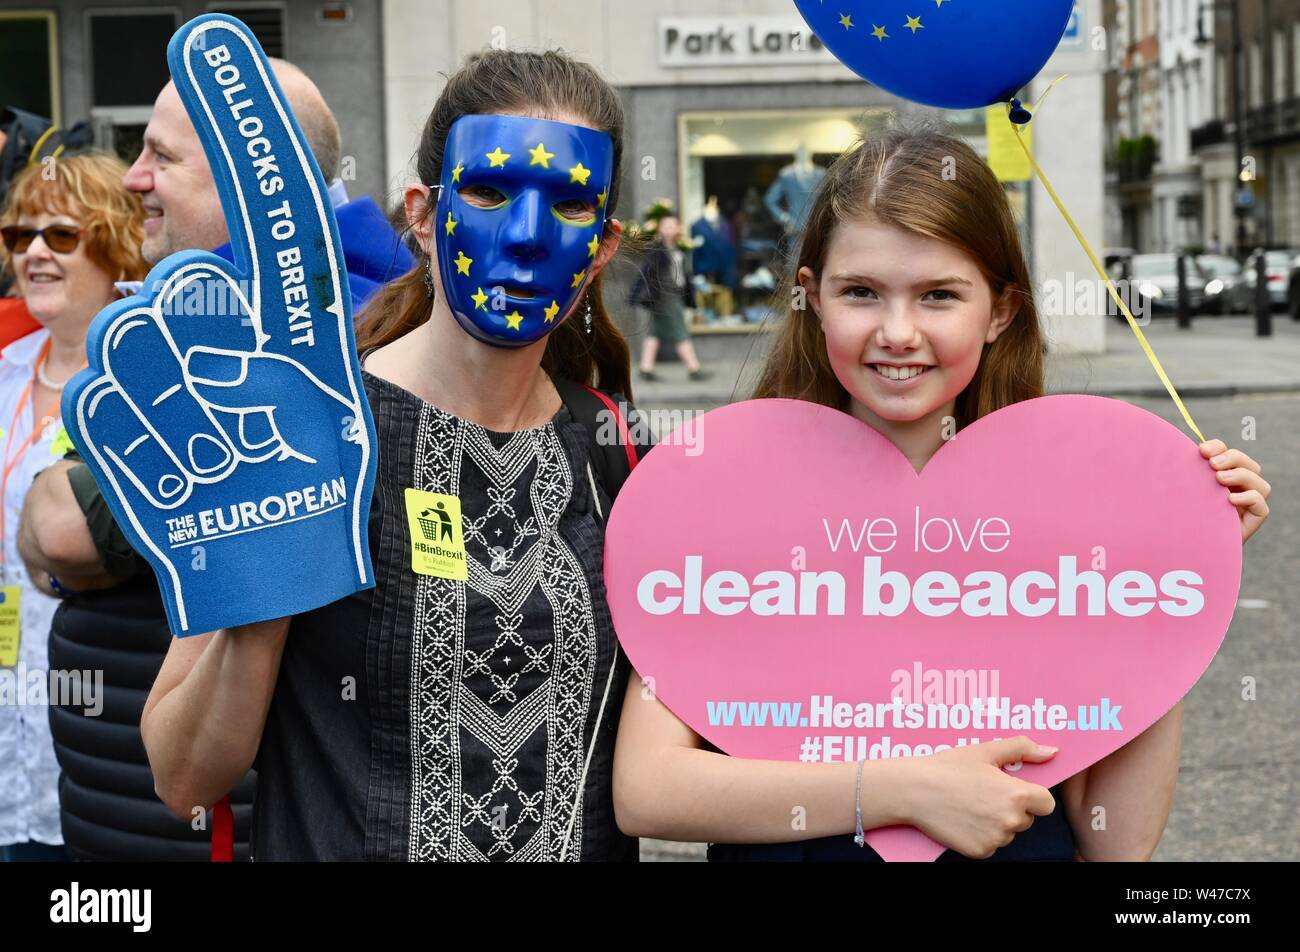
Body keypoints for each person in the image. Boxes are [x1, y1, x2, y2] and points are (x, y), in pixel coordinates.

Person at [612, 126, 1271, 862]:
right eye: (861, 292)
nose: (898, 332)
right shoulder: (726, 497)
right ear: (812, 298)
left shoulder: (1070, 520)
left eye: (938, 296)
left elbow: (1116, 842)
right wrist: (899, 790)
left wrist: (1174, 589)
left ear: (1000, 310)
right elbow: (649, 788)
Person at [140, 48, 653, 861]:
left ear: (602, 244)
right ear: (422, 213)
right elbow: (182, 775)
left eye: (567, 205)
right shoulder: (307, 428)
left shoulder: (613, 448)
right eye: (487, 192)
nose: (524, 237)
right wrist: (267, 591)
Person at [17, 59, 407, 862]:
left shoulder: (348, 335)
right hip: (120, 798)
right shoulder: (198, 310)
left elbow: (60, 525)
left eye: (163, 156)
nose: (134, 178)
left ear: (259, 181)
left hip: (236, 824)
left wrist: (83, 539)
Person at [0, 152, 148, 861]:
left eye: (60, 235)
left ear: (116, 240)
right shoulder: (3, 374)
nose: (32, 252)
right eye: (16, 236)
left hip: (111, 740)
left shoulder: (146, 383)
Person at [630, 211, 711, 383]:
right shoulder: (656, 250)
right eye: (666, 226)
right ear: (660, 228)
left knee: (655, 333)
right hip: (665, 297)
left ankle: (645, 368)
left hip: (675, 295)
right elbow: (645, 273)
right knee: (680, 332)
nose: (670, 229)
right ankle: (693, 368)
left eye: (673, 226)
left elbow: (684, 275)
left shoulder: (677, 250)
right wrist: (636, 294)